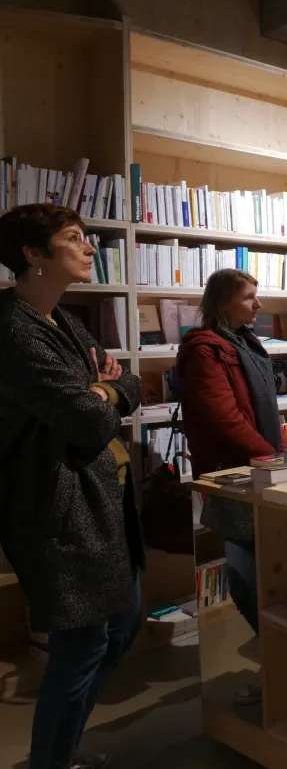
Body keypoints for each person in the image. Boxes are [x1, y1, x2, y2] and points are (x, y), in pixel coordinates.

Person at [0, 204, 143, 769]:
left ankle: (62, 752)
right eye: (74, 238)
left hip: (104, 496)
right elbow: (86, 418)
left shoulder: (66, 318)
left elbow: (122, 378)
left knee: (122, 627)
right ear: (33, 255)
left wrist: (105, 390)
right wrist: (104, 394)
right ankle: (53, 760)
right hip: (58, 507)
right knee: (83, 644)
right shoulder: (12, 329)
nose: (89, 248)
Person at [176, 268, 280, 701]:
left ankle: (282, 664)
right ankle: (279, 665)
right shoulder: (205, 351)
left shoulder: (245, 343)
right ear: (223, 303)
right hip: (236, 474)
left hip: (260, 468)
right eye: (249, 297)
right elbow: (226, 418)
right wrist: (272, 457)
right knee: (244, 574)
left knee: (264, 569)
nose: (258, 305)